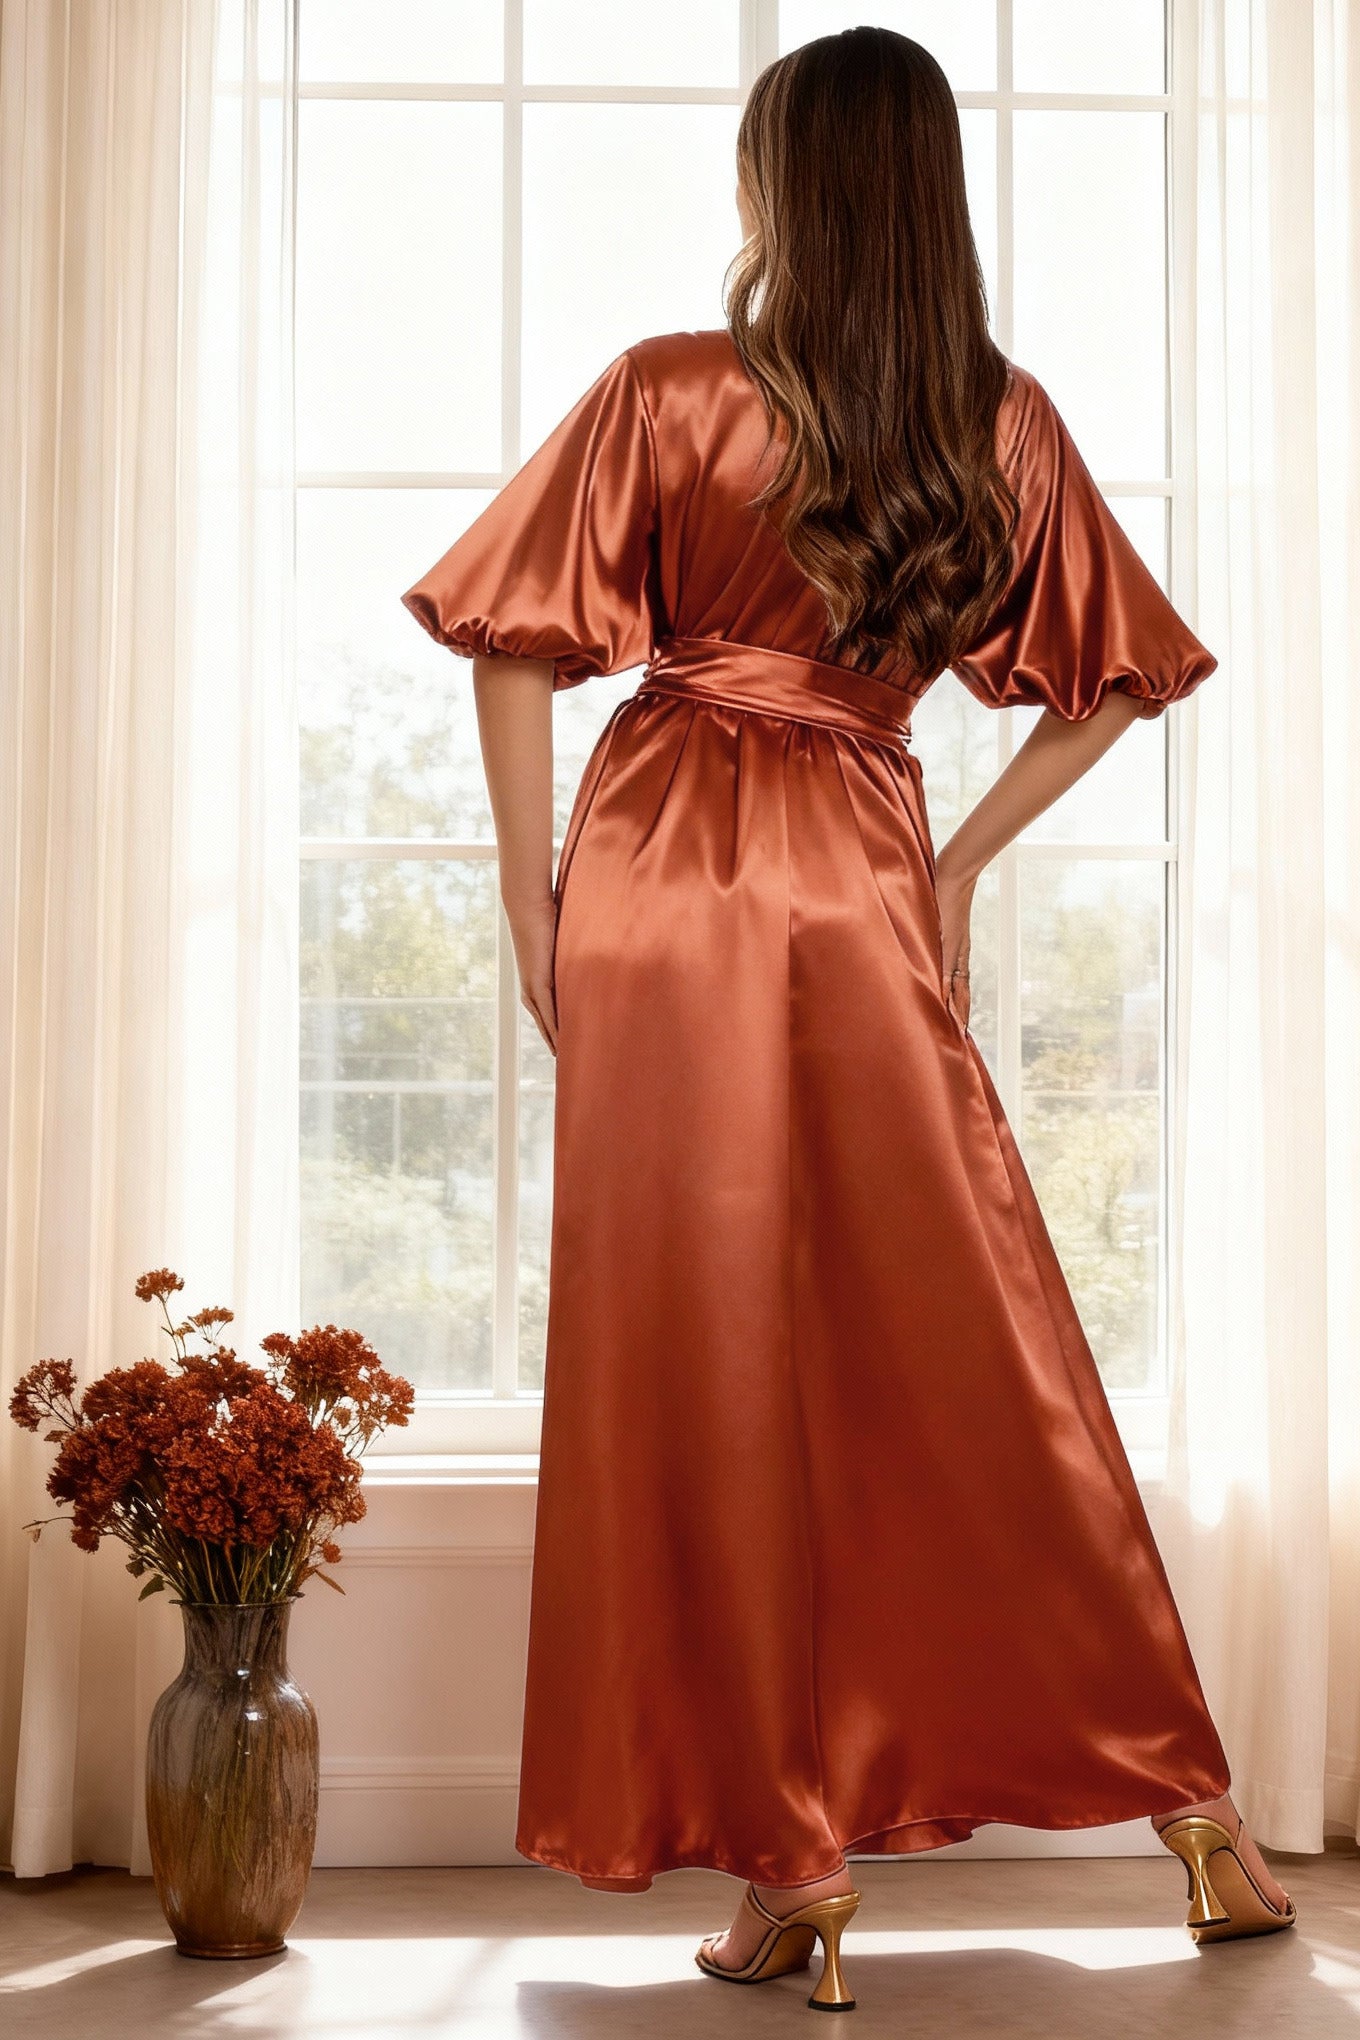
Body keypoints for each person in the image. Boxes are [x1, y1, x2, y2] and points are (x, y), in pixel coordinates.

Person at [401, 26, 1295, 2015]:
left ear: (778, 187)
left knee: (692, 1354)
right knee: (965, 1335)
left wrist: (524, 894)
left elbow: (514, 645)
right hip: (864, 853)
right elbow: (1113, 680)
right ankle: (1193, 1816)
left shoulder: (665, 392)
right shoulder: (996, 422)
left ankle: (787, 1865)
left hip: (657, 871)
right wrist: (959, 862)